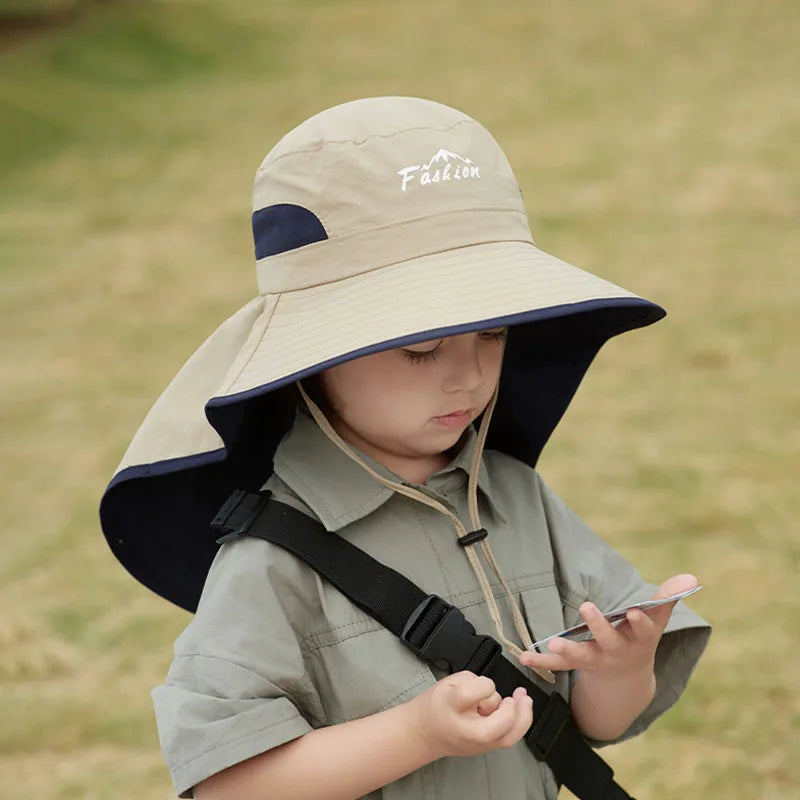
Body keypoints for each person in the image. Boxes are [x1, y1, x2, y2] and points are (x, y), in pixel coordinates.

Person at [99, 97, 710, 800]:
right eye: (420, 346)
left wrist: (621, 668)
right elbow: (225, 785)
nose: (470, 374)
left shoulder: (514, 497)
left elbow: (592, 726)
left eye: (494, 333)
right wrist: (417, 734)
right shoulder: (273, 557)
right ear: (313, 354)